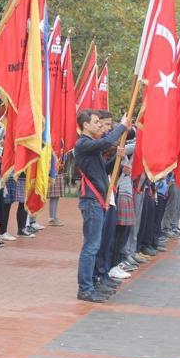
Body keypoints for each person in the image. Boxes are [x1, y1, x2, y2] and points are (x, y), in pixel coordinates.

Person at [74, 109, 128, 303]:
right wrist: (122, 126)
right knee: (91, 246)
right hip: (91, 201)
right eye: (96, 122)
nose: (99, 125)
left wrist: (117, 159)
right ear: (85, 125)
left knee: (95, 245)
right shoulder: (83, 144)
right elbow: (105, 142)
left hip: (96, 201)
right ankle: (85, 288)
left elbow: (102, 170)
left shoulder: (90, 147)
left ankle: (91, 284)